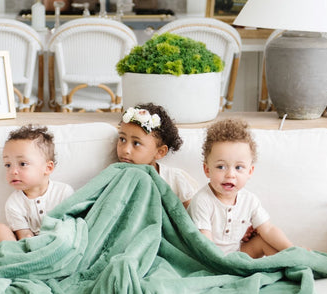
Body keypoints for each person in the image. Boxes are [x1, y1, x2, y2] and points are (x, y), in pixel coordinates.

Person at [189, 118, 294, 258]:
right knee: (209, 252)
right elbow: (204, 243)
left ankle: (293, 260)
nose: (230, 175)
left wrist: (291, 249)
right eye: (221, 166)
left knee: (264, 241)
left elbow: (268, 229)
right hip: (210, 260)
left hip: (237, 255)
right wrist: (223, 264)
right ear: (207, 170)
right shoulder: (202, 201)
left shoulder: (250, 200)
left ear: (249, 171)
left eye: (239, 167)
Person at [0, 125, 74, 245]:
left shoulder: (63, 192)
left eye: (22, 164)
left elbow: (71, 227)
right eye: (8, 165)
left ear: (47, 168)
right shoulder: (14, 203)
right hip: (29, 249)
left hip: (58, 243)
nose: (13, 171)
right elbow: (23, 235)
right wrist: (28, 239)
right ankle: (19, 260)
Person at [117, 103, 199, 208]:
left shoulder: (174, 180)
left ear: (160, 152)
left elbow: (191, 217)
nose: (126, 150)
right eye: (122, 139)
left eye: (136, 143)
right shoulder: (115, 176)